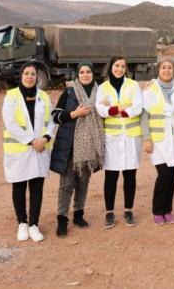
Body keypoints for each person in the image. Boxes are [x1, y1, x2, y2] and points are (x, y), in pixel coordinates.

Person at [50, 61, 105, 237]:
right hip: (70, 146)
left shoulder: (100, 93)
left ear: (93, 74)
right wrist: (75, 114)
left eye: (88, 71)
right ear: (77, 74)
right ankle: (62, 219)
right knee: (66, 184)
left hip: (90, 148)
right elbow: (55, 116)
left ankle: (78, 214)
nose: (85, 74)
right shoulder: (69, 92)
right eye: (82, 72)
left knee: (83, 183)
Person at [2, 61, 55, 242]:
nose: (30, 77)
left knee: (37, 188)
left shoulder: (44, 97)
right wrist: (32, 141)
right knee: (19, 187)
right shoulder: (11, 96)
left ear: (37, 76)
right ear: (21, 76)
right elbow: (10, 123)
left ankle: (34, 225)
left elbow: (52, 121)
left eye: (33, 74)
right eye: (27, 74)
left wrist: (46, 138)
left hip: (39, 150)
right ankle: (22, 223)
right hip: (20, 151)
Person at [96, 56, 143, 229]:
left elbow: (137, 107)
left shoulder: (133, 85)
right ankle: (109, 212)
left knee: (130, 175)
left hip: (131, 136)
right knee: (111, 175)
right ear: (111, 67)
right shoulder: (103, 88)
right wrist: (121, 107)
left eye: (123, 66)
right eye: (117, 65)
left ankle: (128, 210)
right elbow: (101, 110)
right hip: (112, 138)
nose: (120, 69)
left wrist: (116, 112)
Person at [142, 58, 174, 225]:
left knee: (173, 176)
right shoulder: (150, 89)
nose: (167, 70)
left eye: (169, 68)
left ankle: (168, 210)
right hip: (158, 140)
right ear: (158, 70)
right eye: (163, 67)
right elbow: (144, 115)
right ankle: (157, 210)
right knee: (164, 175)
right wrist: (147, 138)